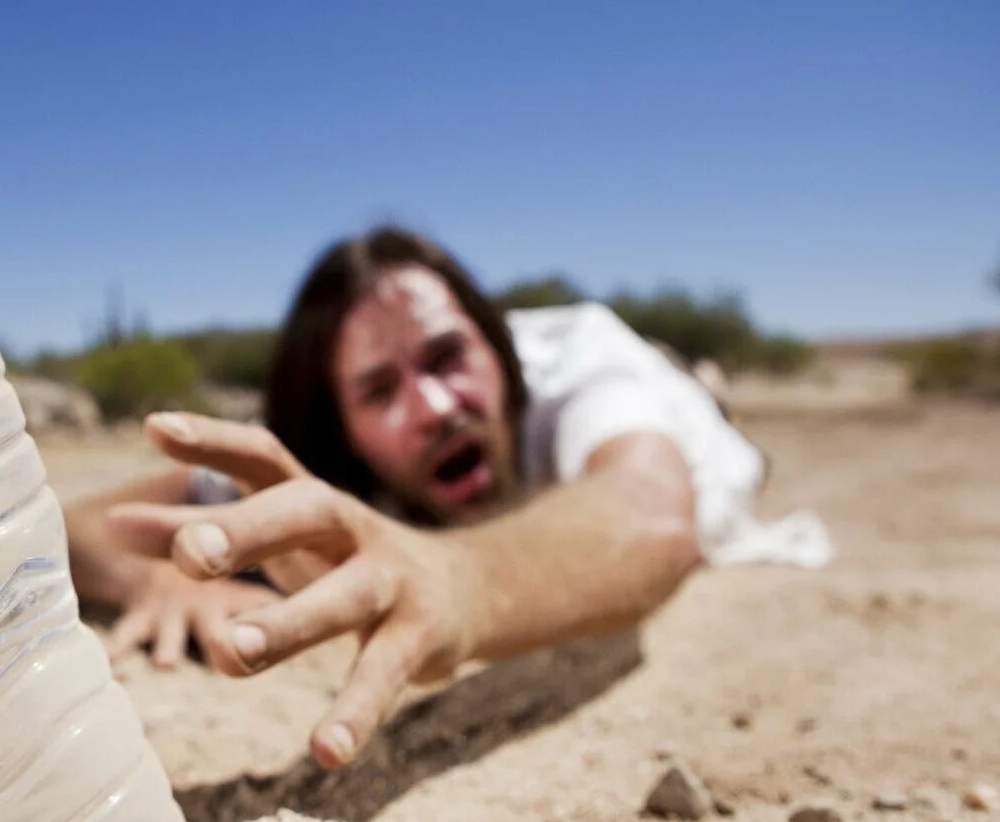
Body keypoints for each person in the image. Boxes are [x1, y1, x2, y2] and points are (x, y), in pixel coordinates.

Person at [64, 226, 823, 771]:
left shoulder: (581, 367)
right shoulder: (310, 457)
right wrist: (161, 575)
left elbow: (651, 515)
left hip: (683, 420)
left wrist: (454, 582)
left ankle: (700, 381)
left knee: (712, 420)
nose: (433, 407)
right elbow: (76, 527)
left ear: (495, 345)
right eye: (380, 389)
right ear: (344, 431)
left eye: (447, 356)